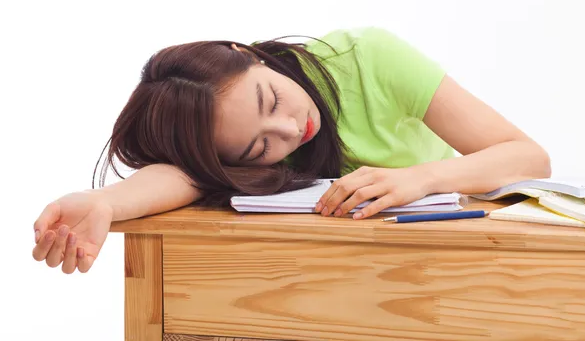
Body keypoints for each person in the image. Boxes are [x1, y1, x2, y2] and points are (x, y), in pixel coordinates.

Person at [31, 27, 551, 274]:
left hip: (445, 259)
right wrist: (103, 203)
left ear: (246, 53)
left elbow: (528, 157)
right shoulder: (242, 154)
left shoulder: (369, 58)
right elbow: (179, 176)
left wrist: (421, 177)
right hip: (340, 273)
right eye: (261, 146)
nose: (289, 129)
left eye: (272, 98)